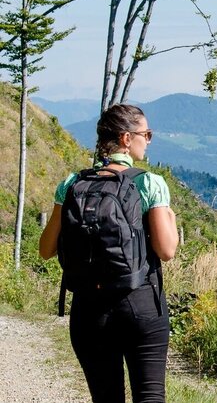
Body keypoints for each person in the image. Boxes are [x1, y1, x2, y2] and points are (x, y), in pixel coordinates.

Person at [38, 104, 179, 403]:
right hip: (141, 303)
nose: (149, 140)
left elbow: (46, 249)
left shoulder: (72, 183)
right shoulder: (149, 183)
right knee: (150, 396)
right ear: (127, 138)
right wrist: (171, 219)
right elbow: (166, 251)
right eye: (146, 134)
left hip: (89, 310)